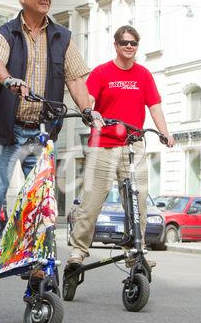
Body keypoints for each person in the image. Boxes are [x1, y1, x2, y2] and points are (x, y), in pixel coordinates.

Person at [0, 0, 101, 275]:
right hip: (4, 130)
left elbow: (75, 79)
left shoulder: (63, 37)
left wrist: (88, 109)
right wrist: (8, 79)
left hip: (40, 132)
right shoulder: (5, 33)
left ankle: (35, 262)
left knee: (40, 203)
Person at [67, 25, 174, 266]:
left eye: (133, 43)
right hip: (102, 145)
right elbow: (89, 100)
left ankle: (136, 249)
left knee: (139, 200)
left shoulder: (144, 75)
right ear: (116, 45)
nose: (129, 46)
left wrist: (164, 133)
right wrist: (91, 111)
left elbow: (154, 106)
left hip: (133, 147)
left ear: (137, 47)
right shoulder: (102, 73)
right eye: (124, 42)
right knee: (91, 201)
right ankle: (78, 251)